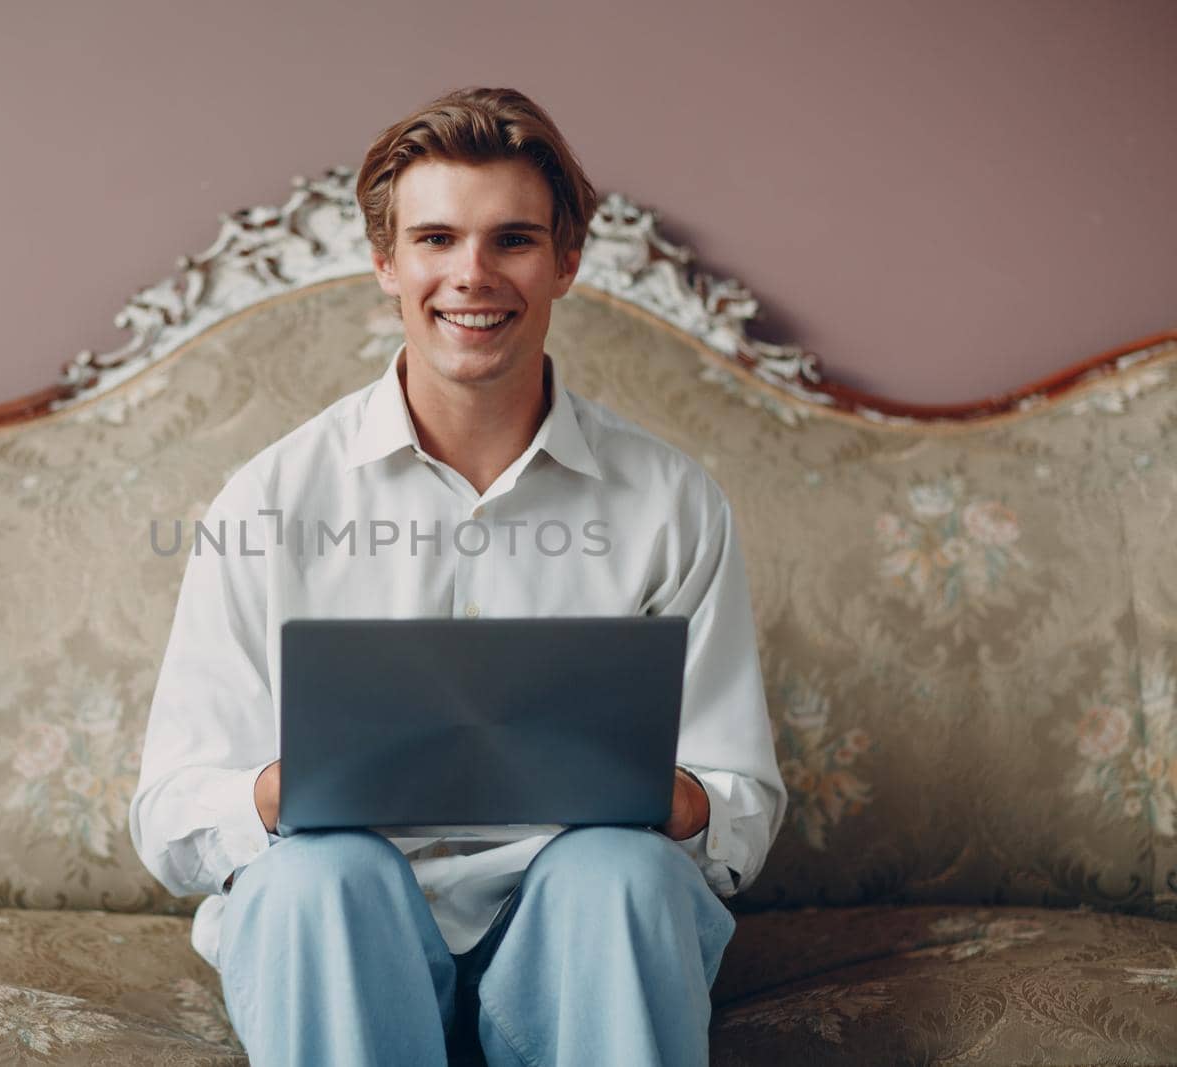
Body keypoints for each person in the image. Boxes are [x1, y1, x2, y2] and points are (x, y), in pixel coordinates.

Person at [130, 87, 786, 1066]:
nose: (471, 276)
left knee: (622, 873)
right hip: (341, 930)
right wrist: (290, 784)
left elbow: (740, 806)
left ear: (566, 261)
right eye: (435, 239)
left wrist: (662, 790)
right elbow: (173, 814)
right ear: (386, 263)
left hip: (580, 928)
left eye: (511, 240)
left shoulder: (670, 500)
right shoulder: (267, 494)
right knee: (321, 878)